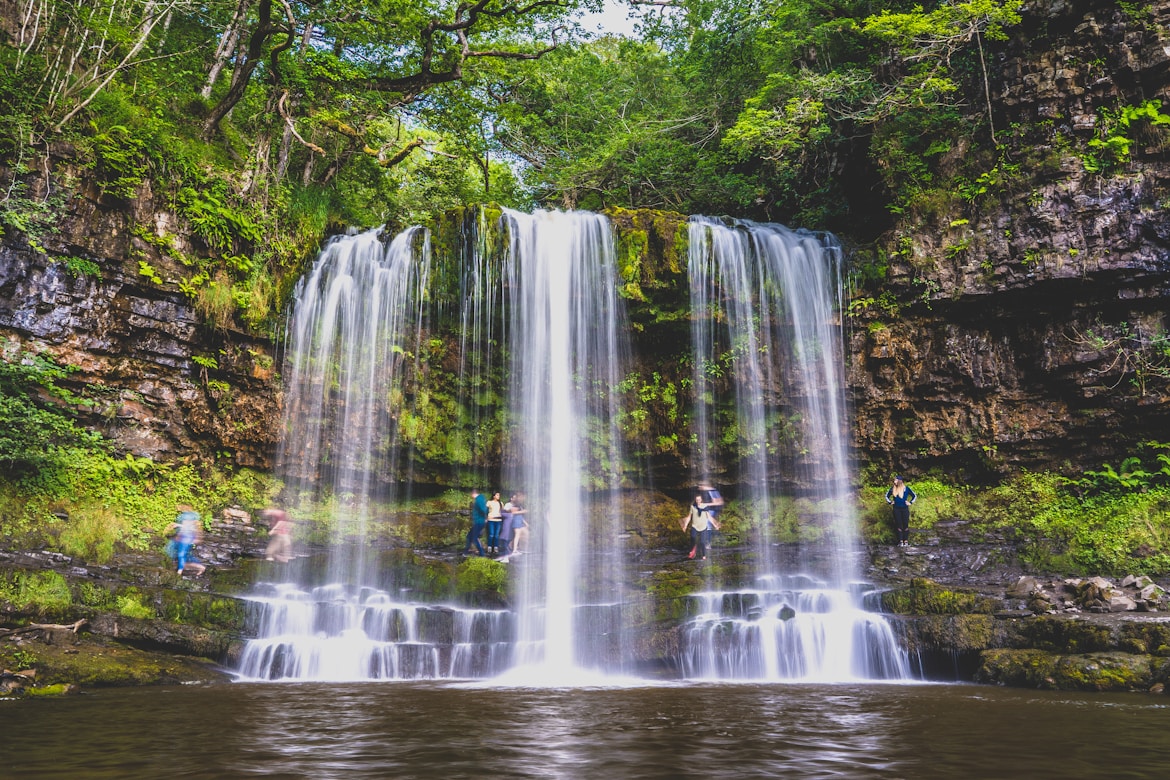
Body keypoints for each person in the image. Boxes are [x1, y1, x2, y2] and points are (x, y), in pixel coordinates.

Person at [681, 493, 720, 561]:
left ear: (701, 500)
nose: (698, 501)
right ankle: (693, 550)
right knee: (693, 538)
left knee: (702, 542)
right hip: (695, 526)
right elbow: (689, 517)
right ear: (695, 500)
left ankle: (704, 555)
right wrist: (685, 525)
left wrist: (715, 524)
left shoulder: (705, 506)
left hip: (703, 527)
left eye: (699, 499)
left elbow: (709, 517)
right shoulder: (693, 506)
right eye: (697, 500)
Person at [171, 505, 206, 577]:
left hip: (187, 537)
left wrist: (178, 525)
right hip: (184, 537)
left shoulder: (192, 516)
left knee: (181, 554)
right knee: (184, 555)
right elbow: (184, 528)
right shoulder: (184, 515)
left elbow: (191, 528)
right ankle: (199, 567)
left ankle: (179, 571)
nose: (178, 508)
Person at [885, 475, 917, 547]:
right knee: (899, 525)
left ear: (899, 481)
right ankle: (900, 541)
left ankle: (906, 541)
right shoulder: (892, 489)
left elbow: (914, 495)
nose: (894, 481)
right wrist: (890, 502)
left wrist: (910, 502)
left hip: (905, 509)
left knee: (905, 524)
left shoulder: (906, 489)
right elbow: (886, 495)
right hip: (896, 509)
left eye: (896, 480)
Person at [462, 489, 488, 556]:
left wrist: (486, 517)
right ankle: (465, 552)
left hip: (479, 521)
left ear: (473, 493)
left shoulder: (479, 499)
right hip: (478, 521)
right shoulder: (480, 499)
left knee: (474, 537)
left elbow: (484, 509)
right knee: (469, 536)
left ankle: (482, 553)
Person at [485, 491, 504, 555]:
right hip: (491, 519)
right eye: (497, 495)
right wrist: (486, 518)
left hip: (498, 520)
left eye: (499, 495)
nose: (498, 496)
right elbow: (486, 511)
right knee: (491, 534)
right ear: (494, 496)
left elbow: (503, 511)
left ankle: (496, 547)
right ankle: (489, 547)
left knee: (496, 535)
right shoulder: (489, 502)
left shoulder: (501, 503)